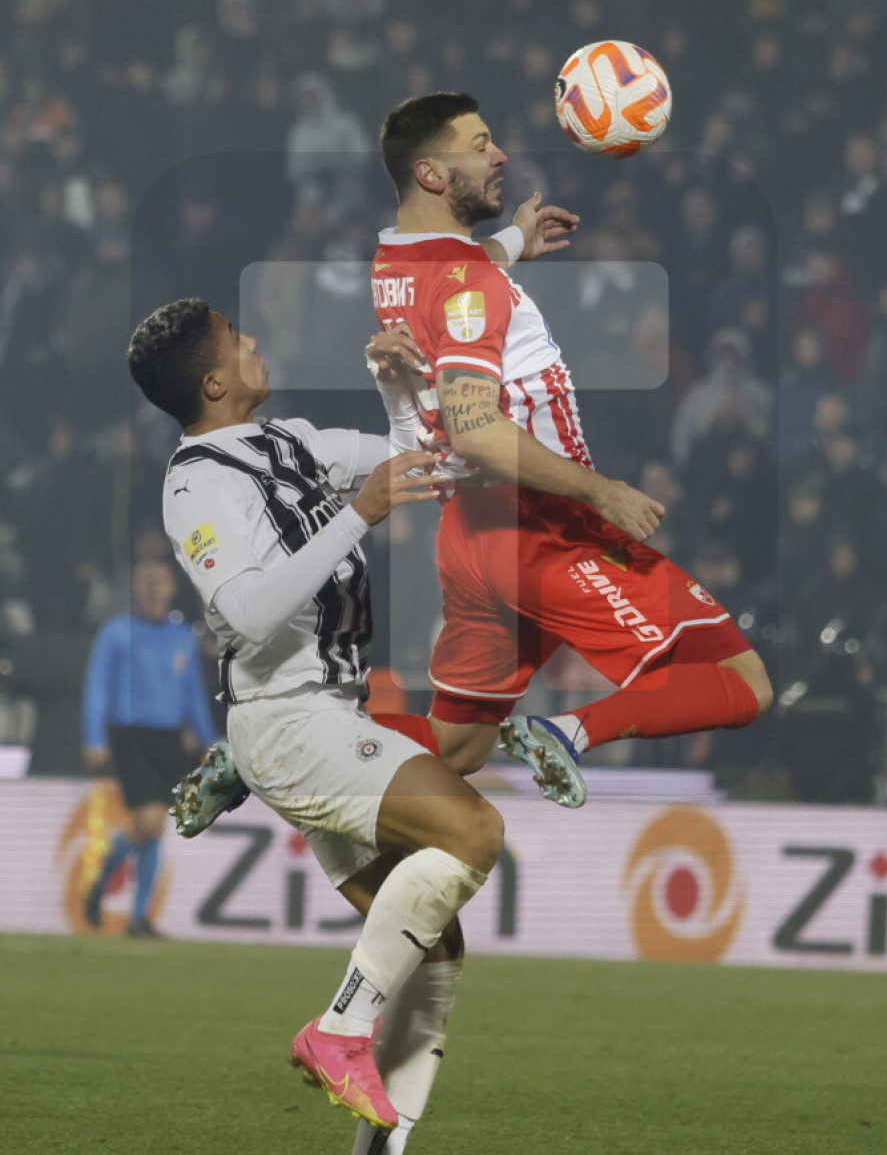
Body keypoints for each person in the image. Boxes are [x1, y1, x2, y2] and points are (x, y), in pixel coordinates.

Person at [127, 297, 503, 1147]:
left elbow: (416, 463)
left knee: (435, 947)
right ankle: (338, 1029)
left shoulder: (290, 440)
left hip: (326, 713)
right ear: (213, 382)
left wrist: (399, 386)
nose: (255, 340)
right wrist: (357, 514)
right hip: (287, 721)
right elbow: (246, 614)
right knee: (474, 831)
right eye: (236, 339)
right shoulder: (195, 483)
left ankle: (381, 1145)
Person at [369, 91, 774, 804]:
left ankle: (285, 740)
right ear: (431, 173)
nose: (500, 156)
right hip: (541, 525)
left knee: (458, 744)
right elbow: (476, 427)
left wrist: (513, 242)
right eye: (480, 145)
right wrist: (601, 491)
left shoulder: (396, 261)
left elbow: (455, 279)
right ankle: (566, 733)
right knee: (742, 681)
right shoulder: (467, 281)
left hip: (469, 535)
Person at [81, 557, 216, 937]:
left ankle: (138, 918)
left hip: (170, 738)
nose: (154, 589)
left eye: (160, 581)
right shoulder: (116, 633)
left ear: (172, 588)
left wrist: (208, 739)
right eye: (146, 581)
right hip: (131, 735)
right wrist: (94, 737)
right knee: (149, 821)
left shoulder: (182, 636)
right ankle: (103, 885)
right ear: (136, 587)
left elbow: (192, 693)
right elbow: (97, 686)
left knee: (154, 829)